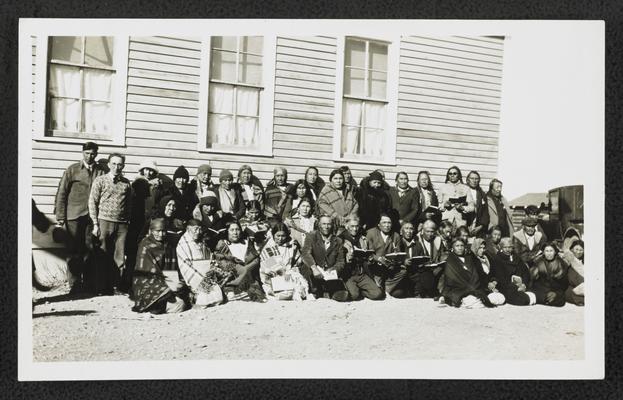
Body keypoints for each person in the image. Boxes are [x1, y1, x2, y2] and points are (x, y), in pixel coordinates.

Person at [54, 141, 106, 292]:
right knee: (73, 250)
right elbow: (62, 192)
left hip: (92, 217)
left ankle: (89, 284)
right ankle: (75, 285)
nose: (90, 156)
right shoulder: (73, 170)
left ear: (96, 154)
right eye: (87, 153)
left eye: (93, 154)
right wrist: (60, 216)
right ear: (82, 153)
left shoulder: (100, 171)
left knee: (90, 249)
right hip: (73, 216)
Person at [88, 153, 133, 294]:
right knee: (102, 255)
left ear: (123, 166)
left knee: (119, 256)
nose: (117, 167)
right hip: (104, 222)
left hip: (121, 225)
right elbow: (92, 202)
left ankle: (116, 286)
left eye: (120, 164)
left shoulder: (126, 183)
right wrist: (95, 224)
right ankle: (101, 287)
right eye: (114, 164)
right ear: (109, 165)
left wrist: (127, 221)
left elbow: (129, 204)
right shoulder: (100, 180)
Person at [131, 218, 188, 314]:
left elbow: (174, 269)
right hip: (150, 284)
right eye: (158, 231)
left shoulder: (169, 245)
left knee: (183, 298)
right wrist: (167, 286)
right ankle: (157, 305)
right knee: (179, 305)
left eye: (163, 231)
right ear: (151, 231)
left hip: (167, 281)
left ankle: (162, 304)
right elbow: (146, 273)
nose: (161, 234)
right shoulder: (145, 246)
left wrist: (177, 282)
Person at [176, 219, 237, 307]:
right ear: (188, 229)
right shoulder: (182, 244)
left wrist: (212, 272)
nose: (198, 232)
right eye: (195, 229)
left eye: (200, 229)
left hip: (207, 275)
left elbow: (211, 258)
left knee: (219, 295)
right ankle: (194, 296)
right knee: (205, 299)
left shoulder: (201, 242)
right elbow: (185, 266)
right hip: (194, 278)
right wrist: (201, 281)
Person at [127, 159, 165, 289]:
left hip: (150, 221)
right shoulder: (136, 183)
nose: (148, 172)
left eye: (151, 170)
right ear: (142, 170)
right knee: (134, 252)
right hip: (136, 221)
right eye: (146, 170)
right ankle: (128, 283)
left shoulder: (157, 186)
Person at [214, 221, 266, 302]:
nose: (235, 232)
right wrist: (239, 269)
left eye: (237, 229)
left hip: (250, 276)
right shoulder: (222, 244)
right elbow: (221, 260)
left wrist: (247, 268)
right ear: (227, 231)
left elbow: (256, 258)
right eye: (232, 230)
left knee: (258, 293)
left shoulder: (247, 242)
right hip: (233, 276)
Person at [300, 215, 349, 301]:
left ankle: (326, 291)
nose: (326, 227)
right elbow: (305, 254)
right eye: (324, 224)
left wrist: (333, 270)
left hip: (329, 274)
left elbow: (341, 262)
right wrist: (314, 268)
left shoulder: (338, 241)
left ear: (332, 225)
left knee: (342, 296)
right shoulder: (311, 236)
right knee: (306, 268)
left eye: (329, 224)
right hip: (314, 272)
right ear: (319, 225)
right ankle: (314, 291)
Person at [440, 238, 498, 308]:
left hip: (474, 288)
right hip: (458, 289)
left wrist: (473, 287)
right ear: (452, 247)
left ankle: (475, 300)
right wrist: (469, 288)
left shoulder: (469, 258)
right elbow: (452, 279)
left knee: (499, 298)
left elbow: (475, 275)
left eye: (462, 246)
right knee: (471, 300)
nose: (460, 248)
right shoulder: (450, 260)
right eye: (457, 246)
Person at [259, 223, 309, 300]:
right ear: (273, 235)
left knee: (301, 288)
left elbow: (296, 261)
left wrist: (293, 269)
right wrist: (284, 273)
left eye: (283, 236)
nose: (280, 238)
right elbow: (271, 265)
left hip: (289, 273)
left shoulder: (291, 245)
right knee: (281, 294)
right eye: (278, 236)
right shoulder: (268, 247)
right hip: (272, 276)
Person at [339, 216, 384, 301]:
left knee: (377, 294)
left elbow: (369, 256)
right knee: (354, 296)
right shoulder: (340, 239)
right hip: (348, 274)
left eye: (357, 226)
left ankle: (361, 291)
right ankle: (355, 291)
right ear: (346, 226)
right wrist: (347, 258)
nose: (355, 229)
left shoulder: (363, 239)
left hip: (361, 273)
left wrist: (370, 259)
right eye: (352, 226)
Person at [366, 214, 410, 297]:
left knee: (403, 271)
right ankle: (380, 287)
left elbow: (398, 253)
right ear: (379, 225)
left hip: (389, 266)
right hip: (376, 267)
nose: (387, 225)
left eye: (389, 223)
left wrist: (394, 259)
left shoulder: (396, 236)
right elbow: (369, 253)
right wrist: (378, 258)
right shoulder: (371, 233)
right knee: (377, 292)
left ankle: (387, 288)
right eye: (384, 222)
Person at [141, 195, 185, 272]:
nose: (171, 208)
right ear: (163, 205)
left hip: (172, 256)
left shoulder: (177, 222)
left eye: (174, 206)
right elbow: (142, 238)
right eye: (169, 205)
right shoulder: (154, 220)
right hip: (155, 254)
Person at [490, 237, 537, 306]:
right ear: (501, 248)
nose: (508, 250)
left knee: (533, 295)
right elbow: (500, 278)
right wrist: (516, 287)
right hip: (506, 287)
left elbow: (525, 272)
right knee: (522, 300)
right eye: (505, 247)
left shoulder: (516, 257)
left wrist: (524, 284)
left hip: (520, 286)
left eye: (510, 247)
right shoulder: (498, 259)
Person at [316, 169, 358, 233]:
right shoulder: (326, 190)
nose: (338, 181)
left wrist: (350, 216)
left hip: (349, 224)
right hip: (333, 226)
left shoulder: (348, 190)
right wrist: (337, 216)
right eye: (335, 178)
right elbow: (322, 205)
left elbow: (356, 204)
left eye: (340, 178)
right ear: (331, 180)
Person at [411, 220, 446, 298]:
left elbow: (442, 255)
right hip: (421, 270)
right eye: (427, 231)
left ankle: (442, 294)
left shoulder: (437, 240)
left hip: (435, 268)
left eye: (432, 231)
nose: (430, 234)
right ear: (423, 231)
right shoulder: (416, 240)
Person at [529, 242, 569, 307]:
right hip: (542, 288)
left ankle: (548, 298)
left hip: (556, 288)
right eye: (547, 251)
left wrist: (556, 293)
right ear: (544, 253)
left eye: (551, 251)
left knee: (559, 300)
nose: (549, 253)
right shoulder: (539, 262)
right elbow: (534, 280)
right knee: (535, 293)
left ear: (555, 252)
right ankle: (544, 298)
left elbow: (564, 283)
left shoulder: (561, 263)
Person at [471, 238, 505, 303]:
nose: (482, 250)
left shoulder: (487, 258)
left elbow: (493, 272)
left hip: (491, 285)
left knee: (501, 299)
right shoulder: (472, 260)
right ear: (475, 248)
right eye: (480, 248)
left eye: (483, 248)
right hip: (480, 286)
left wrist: (494, 281)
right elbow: (475, 277)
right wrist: (487, 284)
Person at [464, 171, 488, 237]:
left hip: (477, 225)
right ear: (468, 179)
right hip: (464, 224)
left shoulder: (482, 194)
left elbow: (485, 212)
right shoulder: (463, 190)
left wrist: (480, 226)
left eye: (476, 179)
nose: (474, 181)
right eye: (472, 178)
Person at [561, 240, 584, 306]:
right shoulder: (567, 260)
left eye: (581, 250)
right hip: (570, 287)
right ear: (572, 249)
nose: (578, 252)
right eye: (576, 249)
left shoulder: (585, 261)